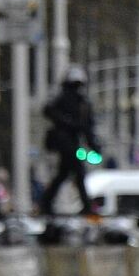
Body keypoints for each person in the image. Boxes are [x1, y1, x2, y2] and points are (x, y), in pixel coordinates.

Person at [39, 66, 97, 215]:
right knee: (78, 172)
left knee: (64, 174)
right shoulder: (63, 100)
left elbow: (86, 128)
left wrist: (94, 145)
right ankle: (86, 206)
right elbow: (48, 110)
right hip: (65, 142)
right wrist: (66, 122)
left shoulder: (82, 103)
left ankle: (46, 202)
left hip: (72, 142)